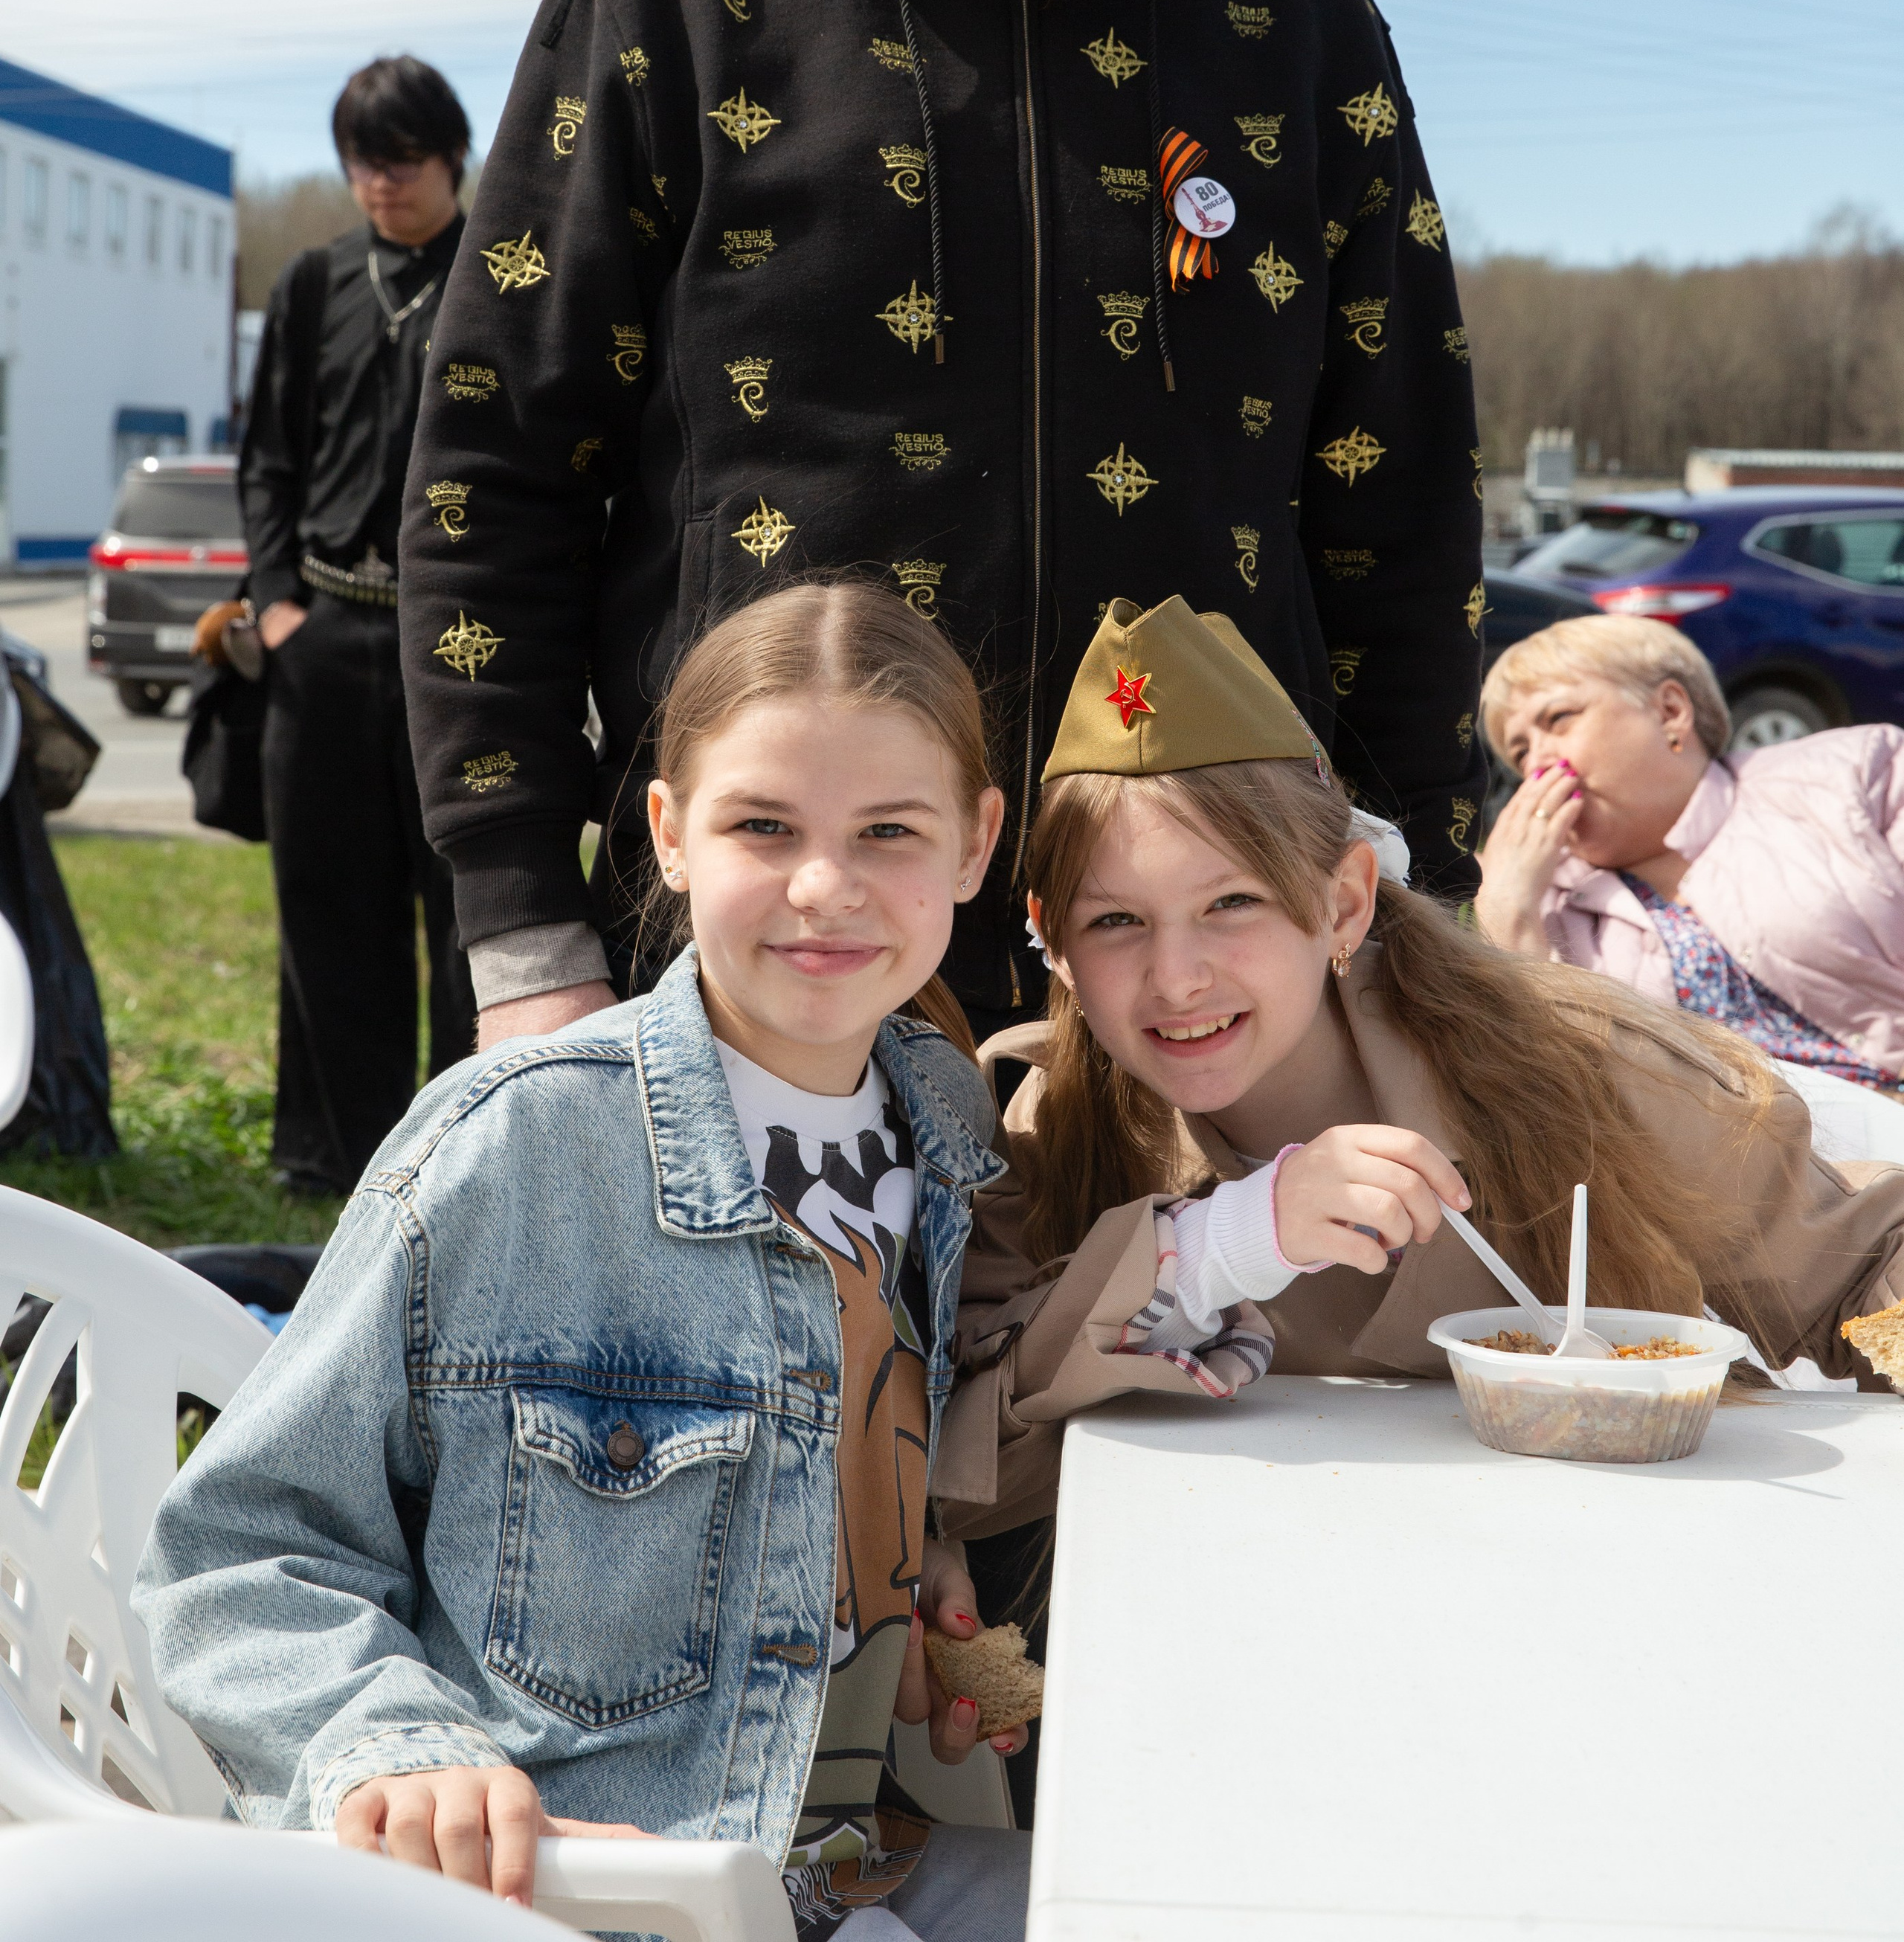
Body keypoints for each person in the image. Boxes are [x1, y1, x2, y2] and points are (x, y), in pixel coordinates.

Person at [398, 0, 1489, 1058]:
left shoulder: (1292, 20)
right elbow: (494, 472)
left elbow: (1396, 500)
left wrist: (1412, 881)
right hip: (756, 977)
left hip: (1194, 999)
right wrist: (523, 929)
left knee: (1187, 1330)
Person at [135, 582, 1032, 1941]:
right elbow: (237, 1548)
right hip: (585, 1883)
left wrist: (914, 1546)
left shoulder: (942, 1118)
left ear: (976, 845)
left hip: (847, 1859)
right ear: (669, 832)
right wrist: (395, 1745)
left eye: (889, 831)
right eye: (763, 824)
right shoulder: (521, 1143)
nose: (824, 885)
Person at [928, 597, 1904, 1539]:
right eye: (1115, 920)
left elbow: (1858, 1270)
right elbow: (964, 1474)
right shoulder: (1057, 1133)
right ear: (1053, 944)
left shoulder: (1570, 1060)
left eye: (1233, 902)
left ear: (1345, 904)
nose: (1177, 977)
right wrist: (1211, 1250)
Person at [237, 56, 478, 1194]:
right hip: (323, 633)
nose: (381, 184)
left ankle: (459, 1149)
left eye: (403, 160)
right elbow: (268, 460)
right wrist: (276, 600)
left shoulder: (501, 271)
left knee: (466, 914)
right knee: (328, 907)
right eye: (361, 163)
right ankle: (331, 1155)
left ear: (453, 155)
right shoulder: (312, 282)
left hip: (457, 645)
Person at [1476, 614, 1904, 1089]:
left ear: (1670, 711)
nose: (1536, 761)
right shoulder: (1545, 904)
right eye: (1519, 754)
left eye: (1558, 718)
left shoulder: (1856, 776)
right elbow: (1552, 1097)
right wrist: (1508, 917)